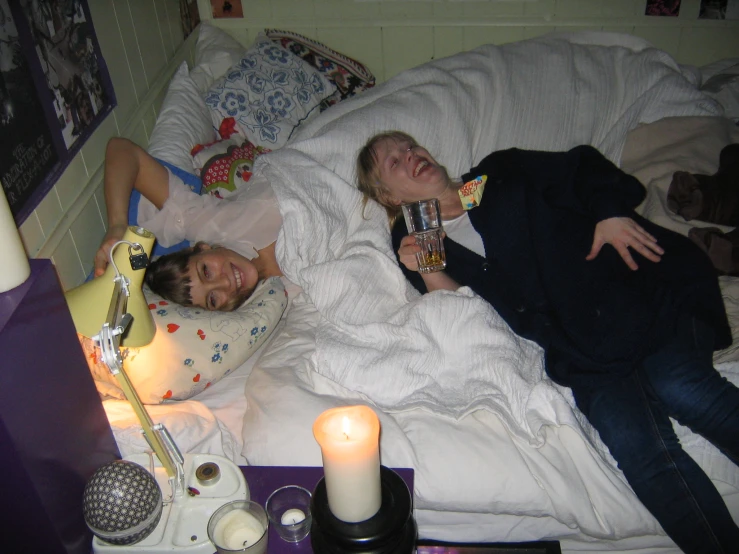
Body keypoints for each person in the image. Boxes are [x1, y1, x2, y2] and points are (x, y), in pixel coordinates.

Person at [356, 130, 739, 554]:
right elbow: (458, 312)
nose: (411, 156)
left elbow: (581, 168)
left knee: (679, 385)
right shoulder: (419, 237)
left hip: (639, 283)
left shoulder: (489, 177)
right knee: (638, 450)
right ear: (389, 197)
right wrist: (425, 269)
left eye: (410, 147)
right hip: (580, 349)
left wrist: (609, 213)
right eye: (394, 162)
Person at [94, 137, 284, 311]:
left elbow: (122, 150)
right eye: (213, 299)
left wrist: (117, 226)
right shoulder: (273, 304)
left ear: (202, 247)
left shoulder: (208, 224)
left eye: (206, 271)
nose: (225, 283)